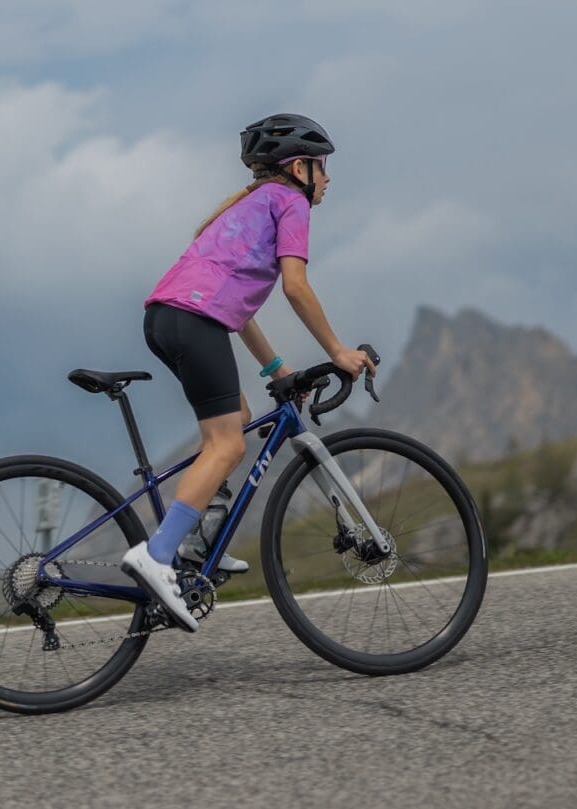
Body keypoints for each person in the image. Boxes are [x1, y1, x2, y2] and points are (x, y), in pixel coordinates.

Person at [120, 114, 377, 631]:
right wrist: (338, 350)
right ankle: (159, 554)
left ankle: (197, 539)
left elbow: (239, 309)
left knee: (233, 418)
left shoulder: (248, 205)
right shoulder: (291, 203)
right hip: (194, 321)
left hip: (166, 318)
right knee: (229, 445)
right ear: (299, 167)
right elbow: (296, 287)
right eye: (322, 167)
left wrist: (277, 368)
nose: (327, 178)